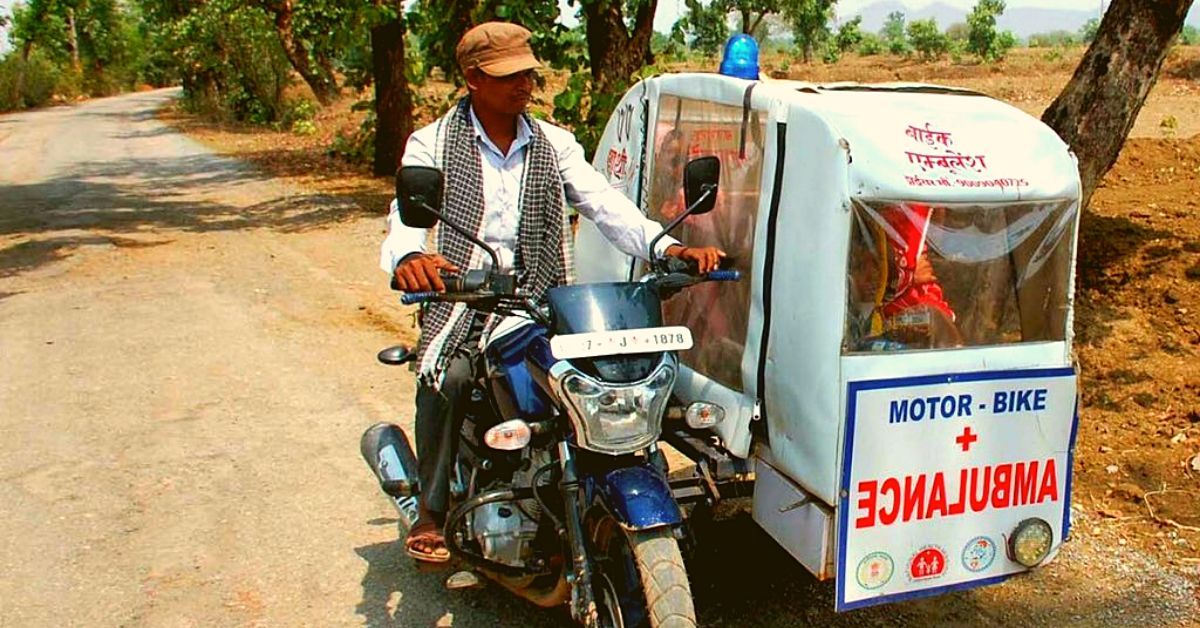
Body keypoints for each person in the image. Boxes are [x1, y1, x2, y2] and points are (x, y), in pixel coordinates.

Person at [379, 21, 724, 563]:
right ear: (473, 78)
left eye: (527, 74)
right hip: (468, 299)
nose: (524, 85)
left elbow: (607, 207)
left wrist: (666, 248)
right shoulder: (432, 143)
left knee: (607, 370)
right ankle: (432, 507)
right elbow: (406, 219)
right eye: (508, 75)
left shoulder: (553, 143)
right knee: (452, 376)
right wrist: (410, 258)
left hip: (541, 300)